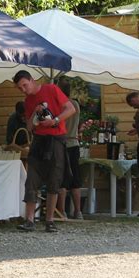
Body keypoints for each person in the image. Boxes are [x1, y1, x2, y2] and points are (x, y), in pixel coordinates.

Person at [13, 70, 76, 232]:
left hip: (56, 139)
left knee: (54, 179)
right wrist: (35, 111)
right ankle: (29, 220)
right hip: (39, 141)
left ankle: (49, 220)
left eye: (25, 85)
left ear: (32, 80)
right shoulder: (28, 101)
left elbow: (70, 109)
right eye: (20, 88)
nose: (24, 90)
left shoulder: (51, 89)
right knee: (32, 178)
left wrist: (55, 120)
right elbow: (28, 127)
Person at [57, 79, 83, 220]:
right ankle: (78, 211)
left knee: (61, 179)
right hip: (74, 143)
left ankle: (62, 211)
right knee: (75, 179)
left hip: (61, 143)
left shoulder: (60, 105)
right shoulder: (75, 104)